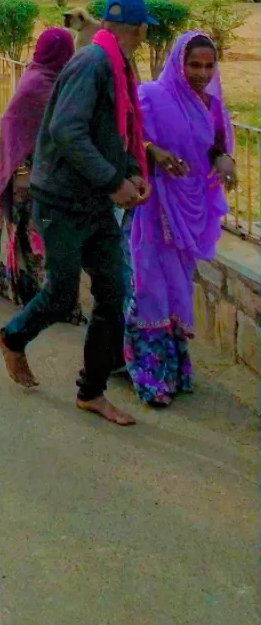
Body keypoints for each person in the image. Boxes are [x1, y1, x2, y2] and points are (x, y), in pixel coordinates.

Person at [0, 0, 153, 426]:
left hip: (93, 201)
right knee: (62, 293)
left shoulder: (115, 65)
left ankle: (92, 391)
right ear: (140, 30)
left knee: (113, 292)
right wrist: (113, 180)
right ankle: (13, 338)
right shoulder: (93, 64)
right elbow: (68, 130)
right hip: (61, 200)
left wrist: (131, 170)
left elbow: (113, 132)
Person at [124, 32, 236, 407]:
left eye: (208, 66)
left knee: (178, 288)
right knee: (151, 284)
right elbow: (128, 137)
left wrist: (224, 159)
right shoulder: (153, 96)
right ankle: (150, 377)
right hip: (155, 207)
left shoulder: (212, 104)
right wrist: (154, 151)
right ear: (178, 63)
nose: (202, 73)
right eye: (194, 65)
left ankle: (173, 369)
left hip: (191, 210)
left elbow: (218, 144)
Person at [0, 28, 78, 307]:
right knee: (34, 231)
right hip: (28, 171)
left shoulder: (45, 78)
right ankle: (38, 291)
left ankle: (29, 287)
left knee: (32, 230)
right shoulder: (40, 84)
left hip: (36, 169)